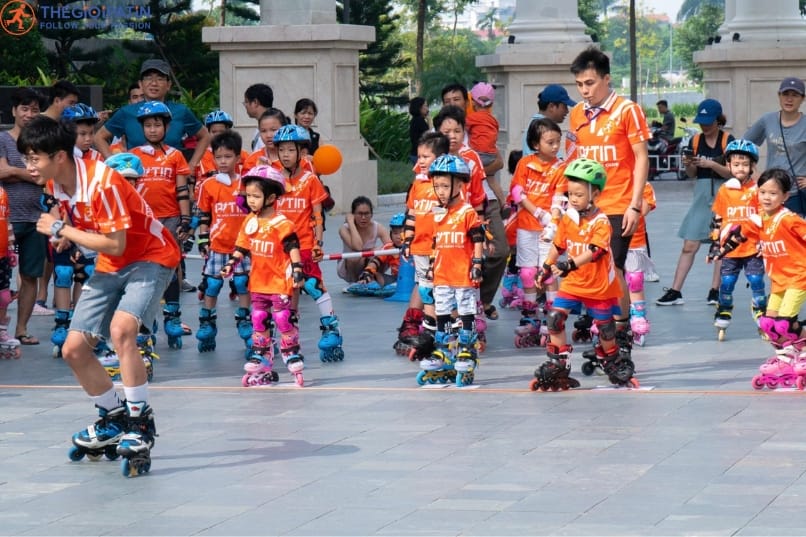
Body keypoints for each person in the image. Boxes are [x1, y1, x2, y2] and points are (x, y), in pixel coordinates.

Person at [21, 115, 179, 477]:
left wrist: (64, 229)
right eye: (27, 158)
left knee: (123, 330)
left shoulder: (101, 182)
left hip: (150, 257)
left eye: (34, 158)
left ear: (59, 156)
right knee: (73, 349)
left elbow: (116, 241)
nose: (29, 165)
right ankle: (113, 417)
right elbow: (88, 229)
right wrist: (66, 231)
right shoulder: (58, 183)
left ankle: (140, 423)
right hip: (112, 263)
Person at [567, 46, 650, 360]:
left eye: (590, 83)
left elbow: (641, 156)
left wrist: (635, 203)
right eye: (579, 84)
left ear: (606, 79)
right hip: (587, 207)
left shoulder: (627, 110)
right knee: (594, 269)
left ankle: (621, 333)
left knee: (613, 267)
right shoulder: (576, 114)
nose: (585, 90)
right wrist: (567, 201)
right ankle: (605, 333)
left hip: (619, 204)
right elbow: (573, 159)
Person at [534, 158, 638, 390]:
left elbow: (595, 251)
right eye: (570, 194)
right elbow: (558, 245)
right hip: (573, 284)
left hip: (598, 285)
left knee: (605, 328)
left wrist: (568, 265)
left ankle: (612, 360)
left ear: (595, 194)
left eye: (579, 195)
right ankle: (559, 363)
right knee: (554, 318)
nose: (573, 199)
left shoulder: (601, 222)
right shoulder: (569, 218)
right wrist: (546, 266)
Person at [714, 169, 806, 387]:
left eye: (773, 193)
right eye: (763, 192)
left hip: (798, 276)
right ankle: (784, 357)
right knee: (767, 324)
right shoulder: (760, 220)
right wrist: (719, 251)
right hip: (778, 280)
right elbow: (740, 235)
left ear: (785, 196)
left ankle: (802, 348)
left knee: (784, 323)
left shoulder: (789, 219)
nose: (766, 197)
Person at [221, 165, 306, 386]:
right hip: (258, 281)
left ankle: (290, 351)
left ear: (271, 197)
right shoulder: (250, 221)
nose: (251, 200)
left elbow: (292, 246)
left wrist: (297, 269)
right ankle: (262, 356)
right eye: (248, 195)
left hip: (279, 281)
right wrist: (231, 263)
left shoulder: (281, 223)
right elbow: (242, 246)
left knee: (282, 318)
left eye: (256, 196)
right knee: (258, 318)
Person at [272, 124, 344, 362]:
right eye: (281, 150)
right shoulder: (271, 177)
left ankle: (331, 327)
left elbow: (317, 214)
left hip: (303, 244)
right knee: (284, 292)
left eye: (290, 150)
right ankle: (288, 335)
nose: (285, 154)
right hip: (278, 247)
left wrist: (318, 242)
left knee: (313, 285)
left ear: (301, 153)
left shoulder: (309, 179)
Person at [656, 99, 734, 306]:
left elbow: (734, 172)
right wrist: (689, 164)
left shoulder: (728, 140)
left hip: (724, 195)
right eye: (702, 122)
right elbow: (692, 174)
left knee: (721, 245)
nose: (704, 126)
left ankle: (715, 290)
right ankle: (675, 290)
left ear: (718, 121)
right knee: (689, 244)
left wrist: (711, 164)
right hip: (701, 196)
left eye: (708, 122)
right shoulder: (695, 141)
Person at [416, 154, 484, 387]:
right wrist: (432, 266)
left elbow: (478, 237)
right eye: (437, 186)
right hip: (442, 273)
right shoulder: (438, 212)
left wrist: (477, 263)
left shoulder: (466, 212)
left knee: (465, 310)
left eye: (445, 186)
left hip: (462, 272)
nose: (441, 191)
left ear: (460, 184)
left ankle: (467, 347)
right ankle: (443, 349)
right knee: (442, 310)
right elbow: (436, 241)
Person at [129, 101, 192, 349]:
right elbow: (127, 190)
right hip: (144, 221)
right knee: (144, 272)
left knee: (169, 269)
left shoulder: (175, 155)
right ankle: (146, 321)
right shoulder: (133, 156)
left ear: (166, 126)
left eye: (157, 125)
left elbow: (182, 189)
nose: (153, 129)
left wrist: (186, 219)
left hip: (170, 218)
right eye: (148, 125)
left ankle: (173, 318)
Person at [47, 104, 104, 358]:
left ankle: (81, 326)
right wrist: (60, 229)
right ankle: (61, 322)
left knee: (86, 275)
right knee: (62, 272)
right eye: (82, 134)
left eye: (91, 133)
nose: (88, 139)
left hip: (88, 229)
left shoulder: (97, 160)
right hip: (62, 226)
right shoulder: (58, 159)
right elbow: (50, 199)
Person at [509, 118, 567, 348]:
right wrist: (538, 213)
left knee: (548, 272)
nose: (555, 146)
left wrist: (552, 222)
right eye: (550, 142)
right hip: (526, 225)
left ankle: (552, 315)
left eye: (558, 142)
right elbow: (517, 192)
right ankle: (529, 315)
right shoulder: (525, 164)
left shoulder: (560, 167)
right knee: (527, 273)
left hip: (548, 229)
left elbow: (559, 198)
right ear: (535, 143)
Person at [95, 59, 211, 172]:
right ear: (140, 84)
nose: (154, 83)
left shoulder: (181, 111)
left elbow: (205, 135)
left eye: (160, 79)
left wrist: (191, 165)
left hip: (171, 182)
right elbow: (99, 137)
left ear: (168, 84)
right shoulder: (127, 112)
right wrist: (115, 165)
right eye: (148, 78)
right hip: (137, 181)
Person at [195, 130, 252, 354]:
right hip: (218, 245)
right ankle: (207, 322)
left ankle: (245, 320)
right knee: (212, 284)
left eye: (228, 157)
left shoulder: (247, 184)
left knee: (242, 284)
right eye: (219, 157)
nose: (223, 161)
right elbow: (204, 215)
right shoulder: (208, 185)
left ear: (238, 157)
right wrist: (202, 239)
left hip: (242, 247)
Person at [0, 87, 50, 344]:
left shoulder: (43, 143)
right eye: (24, 108)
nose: (29, 114)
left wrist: (15, 171)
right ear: (14, 111)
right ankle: (2, 330)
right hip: (6, 219)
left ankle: (21, 329)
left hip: (36, 219)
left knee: (31, 275)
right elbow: (1, 171)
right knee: (1, 279)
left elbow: (50, 176)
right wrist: (34, 175)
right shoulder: (3, 139)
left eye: (34, 109)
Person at [705, 139, 766, 341]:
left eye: (745, 164)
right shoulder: (724, 190)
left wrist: (764, 243)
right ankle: (724, 310)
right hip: (731, 249)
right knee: (728, 282)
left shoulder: (758, 190)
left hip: (752, 246)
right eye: (736, 164)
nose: (740, 168)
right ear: (729, 165)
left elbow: (765, 219)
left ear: (752, 166)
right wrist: (715, 244)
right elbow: (718, 218)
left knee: (756, 280)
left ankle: (760, 309)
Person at [395, 132, 449, 357]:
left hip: (441, 248)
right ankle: (429, 331)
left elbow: (449, 216)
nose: (421, 161)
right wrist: (407, 240)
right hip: (419, 246)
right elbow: (413, 213)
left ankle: (450, 331)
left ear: (441, 157)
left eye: (426, 157)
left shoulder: (446, 184)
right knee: (426, 289)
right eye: (419, 156)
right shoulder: (417, 185)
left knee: (443, 290)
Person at [744, 77, 806, 216]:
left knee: (795, 235)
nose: (789, 99)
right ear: (779, 95)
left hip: (795, 194)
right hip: (770, 192)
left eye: (795, 95)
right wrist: (753, 171)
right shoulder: (767, 120)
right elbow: (743, 146)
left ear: (803, 99)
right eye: (785, 94)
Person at [625, 182, 657, 347]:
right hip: (605, 238)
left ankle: (638, 317)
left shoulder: (642, 183)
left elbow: (644, 209)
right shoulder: (604, 177)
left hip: (634, 240)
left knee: (635, 279)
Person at [336, 196, 391, 284]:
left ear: (371, 214)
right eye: (360, 214)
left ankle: (373, 279)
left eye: (366, 213)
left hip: (371, 263)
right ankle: (354, 283)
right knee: (356, 256)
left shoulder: (377, 227)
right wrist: (351, 223)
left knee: (383, 252)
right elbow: (358, 247)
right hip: (351, 266)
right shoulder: (344, 229)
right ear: (353, 214)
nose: (363, 217)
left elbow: (391, 246)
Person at [194, 110, 248, 196]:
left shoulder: (242, 153)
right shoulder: (203, 154)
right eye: (214, 132)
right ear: (208, 132)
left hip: (235, 193)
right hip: (208, 194)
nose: (217, 135)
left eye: (221, 131)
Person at [522, 84, 576, 157]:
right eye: (564, 106)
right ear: (551, 106)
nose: (567, 111)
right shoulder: (538, 128)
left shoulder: (536, 125)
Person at [356, 213, 404, 289]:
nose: (398, 236)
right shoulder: (388, 248)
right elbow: (376, 261)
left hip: (413, 280)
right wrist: (367, 272)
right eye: (395, 233)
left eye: (402, 233)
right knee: (375, 275)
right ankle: (365, 283)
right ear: (391, 234)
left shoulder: (414, 246)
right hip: (396, 279)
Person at [0, 180, 20, 358]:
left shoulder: (2, 193)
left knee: (4, 297)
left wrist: (12, 248)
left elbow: (7, 221)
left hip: (2, 253)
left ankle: (1, 332)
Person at [466, 82, 499, 168]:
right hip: (492, 156)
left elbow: (463, 130)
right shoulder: (493, 119)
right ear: (491, 103)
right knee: (491, 178)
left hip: (477, 155)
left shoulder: (471, 118)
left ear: (473, 102)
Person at [243, 83, 274, 152]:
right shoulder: (258, 129)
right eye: (264, 131)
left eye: (246, 102)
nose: (245, 105)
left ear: (255, 102)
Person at [408, 97, 429, 164]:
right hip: (419, 154)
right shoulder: (419, 120)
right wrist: (430, 121)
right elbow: (430, 135)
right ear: (419, 107)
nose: (427, 109)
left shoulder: (416, 120)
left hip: (416, 153)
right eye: (425, 106)